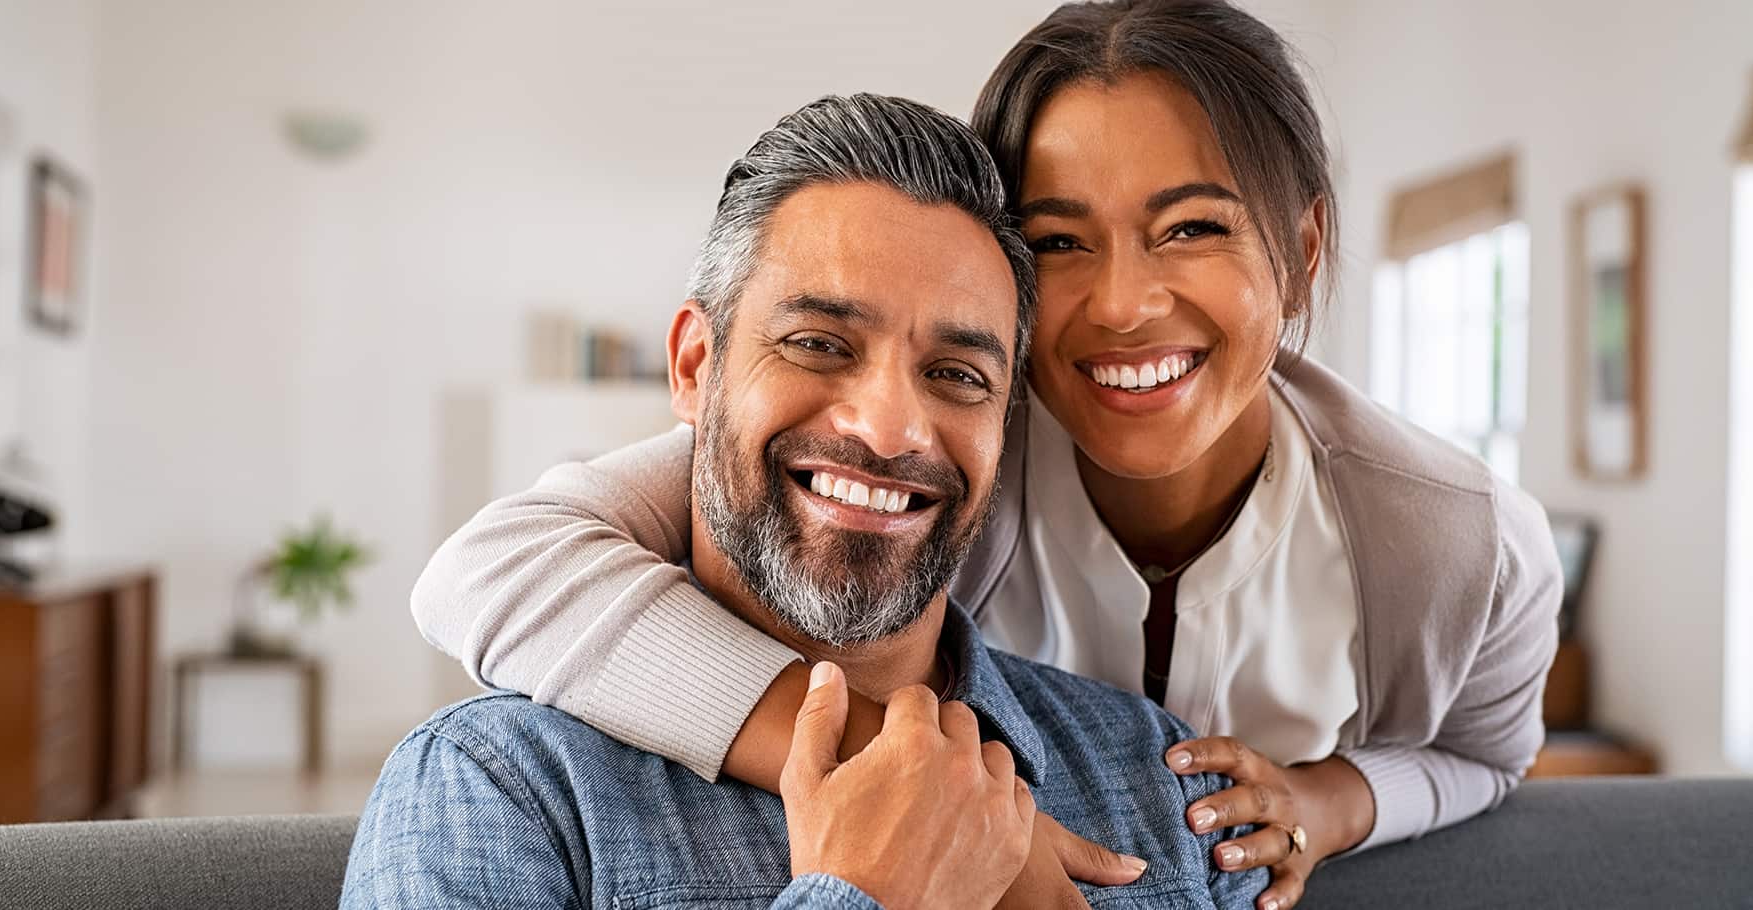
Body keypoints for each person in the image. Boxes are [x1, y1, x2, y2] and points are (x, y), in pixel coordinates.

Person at [413, 3, 1562, 908]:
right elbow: (494, 566)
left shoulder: (1449, 537)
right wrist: (914, 785)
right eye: (1058, 240)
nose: (1121, 303)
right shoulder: (936, 450)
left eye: (1192, 227)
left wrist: (1332, 799)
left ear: (1300, 251)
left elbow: (1485, 755)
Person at [346, 93, 1264, 909]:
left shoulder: (1161, 780)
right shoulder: (500, 791)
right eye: (819, 344)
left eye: (956, 373)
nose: (889, 428)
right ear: (696, 368)